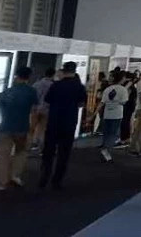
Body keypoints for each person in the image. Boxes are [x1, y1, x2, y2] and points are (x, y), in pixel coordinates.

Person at [39, 62, 87, 190]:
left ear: (63, 71)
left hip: (54, 121)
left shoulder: (56, 85)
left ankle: (44, 176)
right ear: (74, 71)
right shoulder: (79, 87)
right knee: (64, 153)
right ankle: (57, 180)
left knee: (49, 151)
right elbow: (81, 104)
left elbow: (47, 100)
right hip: (69, 123)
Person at [0, 66, 38, 190]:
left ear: (16, 76)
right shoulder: (31, 91)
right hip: (22, 127)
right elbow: (34, 110)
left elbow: (0, 106)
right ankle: (15, 175)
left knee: (4, 155)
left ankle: (2, 183)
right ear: (28, 77)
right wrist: (32, 127)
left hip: (5, 126)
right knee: (21, 152)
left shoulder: (8, 91)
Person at [98, 70, 129, 163]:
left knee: (106, 133)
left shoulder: (108, 89)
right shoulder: (123, 89)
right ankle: (106, 150)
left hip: (107, 113)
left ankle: (105, 149)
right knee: (113, 133)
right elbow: (124, 102)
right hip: (117, 114)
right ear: (121, 78)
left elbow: (102, 102)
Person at [30, 66, 55, 152]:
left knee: (31, 128)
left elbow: (33, 96)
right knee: (42, 129)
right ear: (53, 75)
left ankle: (28, 146)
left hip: (35, 109)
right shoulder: (53, 85)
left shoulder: (37, 84)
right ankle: (41, 147)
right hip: (47, 110)